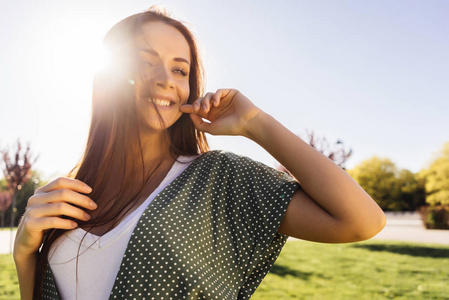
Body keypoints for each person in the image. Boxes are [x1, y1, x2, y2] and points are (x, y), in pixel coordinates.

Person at [13, 7, 386, 300]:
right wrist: (25, 254)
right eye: (145, 61)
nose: (166, 79)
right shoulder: (68, 194)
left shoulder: (218, 179)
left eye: (180, 69)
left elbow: (362, 220)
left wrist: (256, 123)